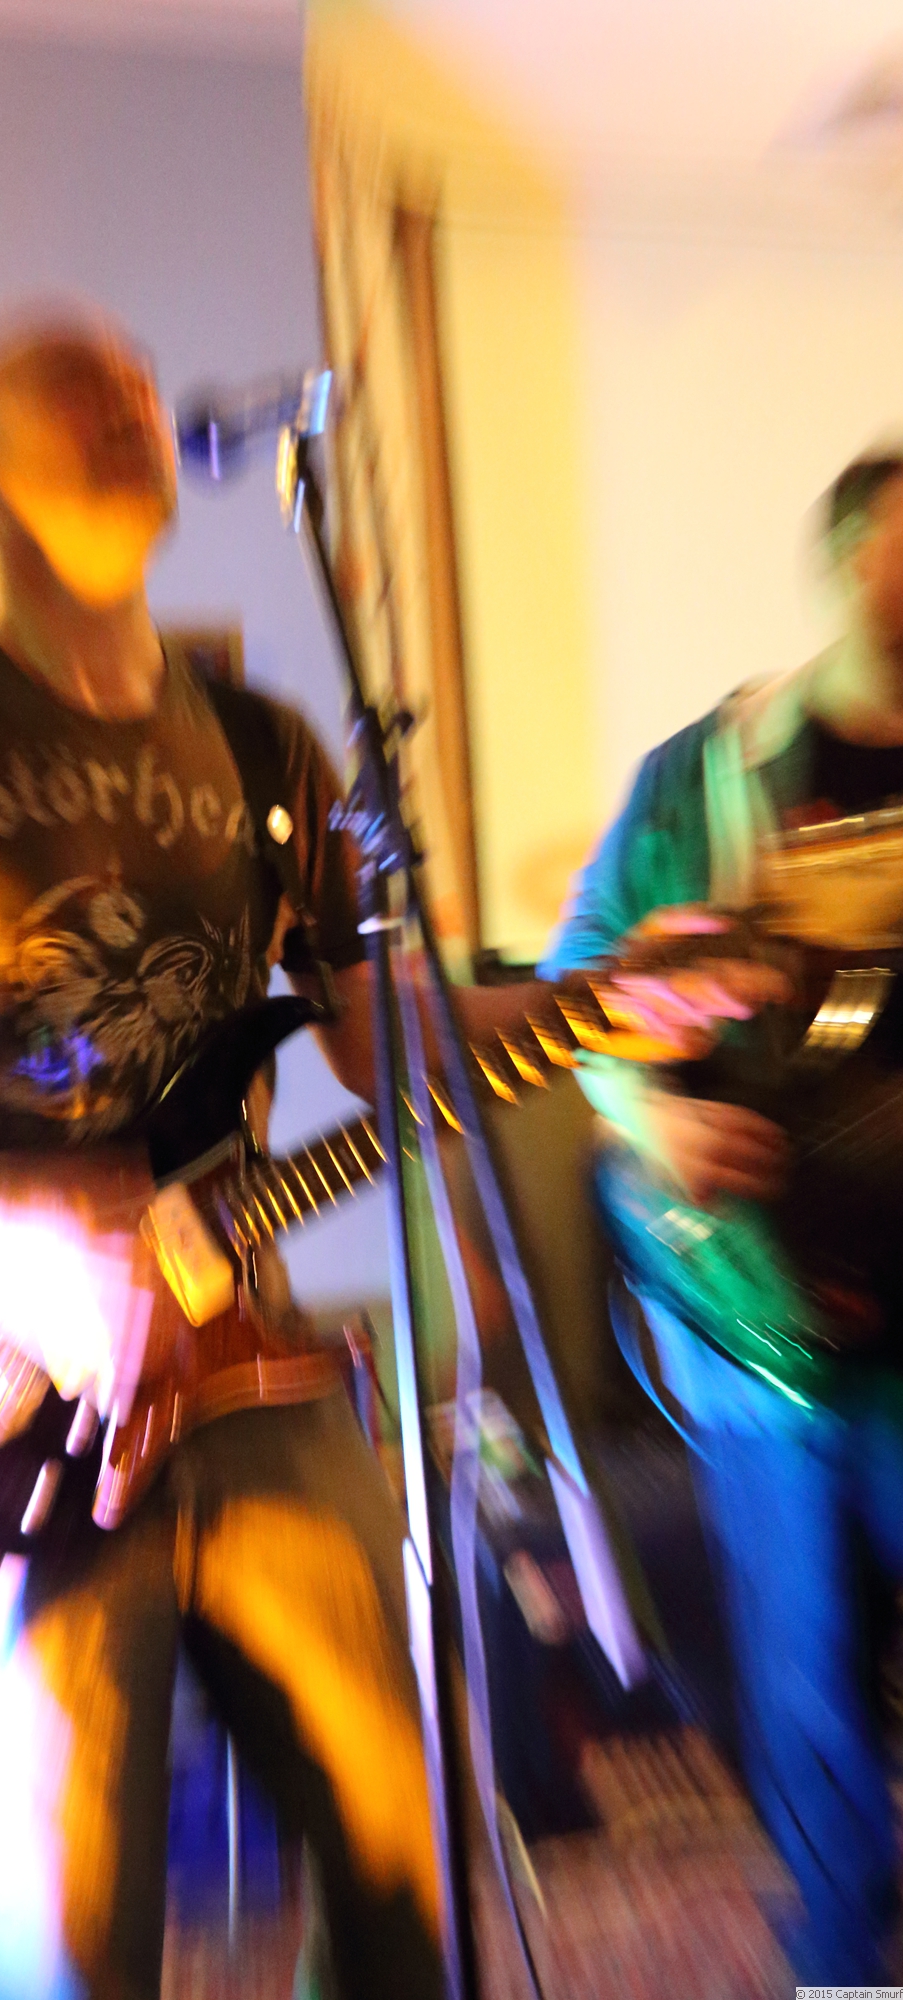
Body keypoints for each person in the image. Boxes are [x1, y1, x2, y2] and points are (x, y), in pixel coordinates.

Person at [0, 305, 772, 2000]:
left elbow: (380, 1042)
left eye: (137, 380)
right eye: (67, 377)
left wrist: (600, 998)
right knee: (59, 1956)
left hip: (242, 1366)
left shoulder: (259, 746)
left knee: (411, 1889)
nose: (126, 396)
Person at [542, 450, 903, 1986]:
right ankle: (841, 1964)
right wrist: (657, 1119)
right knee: (810, 1683)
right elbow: (576, 1000)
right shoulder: (710, 776)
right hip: (765, 1318)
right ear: (844, 560)